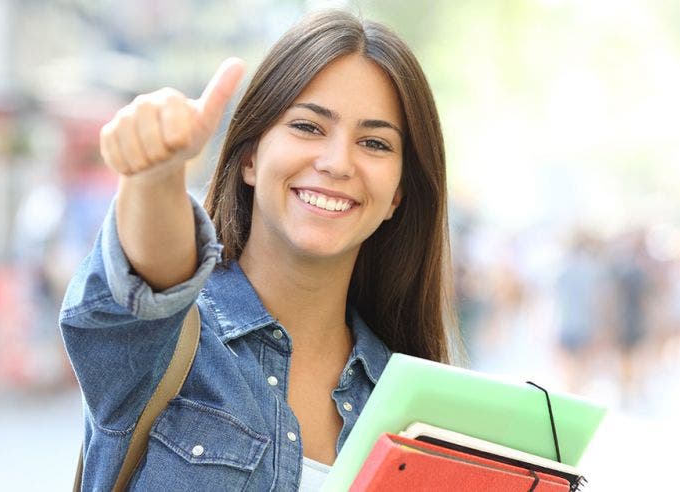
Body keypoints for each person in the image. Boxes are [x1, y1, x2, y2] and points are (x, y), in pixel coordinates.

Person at [60, 10, 453, 491]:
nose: (336, 163)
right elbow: (153, 279)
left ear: (397, 194)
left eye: (374, 142)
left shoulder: (415, 408)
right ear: (250, 156)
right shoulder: (164, 345)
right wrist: (156, 174)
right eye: (309, 127)